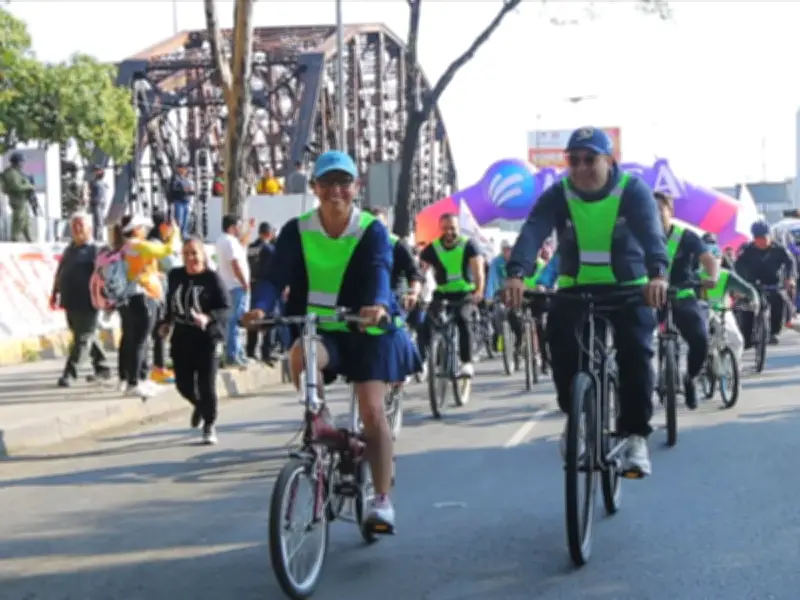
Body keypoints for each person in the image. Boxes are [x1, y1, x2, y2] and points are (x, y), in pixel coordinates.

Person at [242, 150, 420, 533]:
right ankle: (320, 422)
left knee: (372, 411)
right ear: (315, 188)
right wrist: (259, 308)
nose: (335, 192)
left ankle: (382, 500)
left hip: (368, 330)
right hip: (322, 329)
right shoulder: (297, 229)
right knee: (299, 356)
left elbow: (378, 268)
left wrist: (375, 304)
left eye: (344, 184)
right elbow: (275, 277)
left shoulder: (371, 228)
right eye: (327, 184)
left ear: (356, 187)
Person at [505, 126, 669, 478]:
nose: (580, 168)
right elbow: (533, 230)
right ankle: (577, 417)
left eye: (589, 159)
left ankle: (635, 436)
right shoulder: (558, 194)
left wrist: (657, 274)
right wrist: (517, 273)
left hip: (629, 289)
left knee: (636, 355)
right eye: (573, 160)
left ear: (610, 160)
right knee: (562, 349)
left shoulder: (633, 191)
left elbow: (652, 234)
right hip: (576, 290)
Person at [159, 237, 230, 444]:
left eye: (194, 253)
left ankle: (209, 423)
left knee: (206, 383)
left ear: (203, 255)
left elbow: (226, 308)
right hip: (182, 335)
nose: (191, 258)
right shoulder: (175, 276)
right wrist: (166, 323)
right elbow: (170, 303)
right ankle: (199, 405)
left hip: (207, 337)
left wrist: (208, 318)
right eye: (186, 253)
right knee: (183, 383)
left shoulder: (212, 279)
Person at [656, 191, 718, 409]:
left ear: (669, 211)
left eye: (659, 209)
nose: (655, 214)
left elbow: (708, 259)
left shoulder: (687, 236)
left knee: (700, 339)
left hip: (683, 296)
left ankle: (690, 378)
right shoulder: (640, 236)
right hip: (651, 298)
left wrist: (712, 276)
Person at [114, 213, 182, 398]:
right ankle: (134, 382)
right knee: (140, 341)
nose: (145, 230)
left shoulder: (126, 246)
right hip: (143, 295)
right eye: (142, 227)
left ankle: (137, 379)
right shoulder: (139, 245)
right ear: (136, 230)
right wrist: (174, 232)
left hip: (132, 295)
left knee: (133, 339)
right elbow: (167, 250)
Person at [417, 214, 485, 377]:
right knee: (426, 322)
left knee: (463, 319)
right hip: (443, 293)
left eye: (452, 228)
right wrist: (417, 292)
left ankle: (466, 362)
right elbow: (420, 271)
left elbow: (479, 272)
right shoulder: (432, 248)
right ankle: (423, 360)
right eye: (445, 228)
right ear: (440, 228)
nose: (449, 232)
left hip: (465, 293)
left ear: (458, 228)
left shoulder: (469, 245)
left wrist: (479, 291)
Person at [50, 213, 111, 387]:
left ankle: (70, 374)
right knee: (84, 335)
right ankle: (103, 367)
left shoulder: (98, 250)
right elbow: (60, 272)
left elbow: (106, 276)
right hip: (70, 301)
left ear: (90, 229)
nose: (77, 229)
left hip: (89, 302)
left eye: (80, 225)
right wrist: (54, 293)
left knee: (82, 339)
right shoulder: (69, 250)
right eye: (74, 225)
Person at [734, 221, 797, 346]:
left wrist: (790, 278)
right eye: (757, 238)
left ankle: (773, 332)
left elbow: (790, 263)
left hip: (773, 283)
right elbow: (738, 266)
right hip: (752, 284)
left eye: (763, 237)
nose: (761, 241)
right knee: (746, 307)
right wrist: (739, 285)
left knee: (780, 300)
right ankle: (747, 336)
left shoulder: (779, 249)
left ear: (770, 236)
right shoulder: (747, 250)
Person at [365, 207, 423, 314]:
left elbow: (415, 273)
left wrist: (413, 294)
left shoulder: (398, 245)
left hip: (395, 301)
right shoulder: (358, 245)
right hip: (366, 302)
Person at [147, 211, 179, 384]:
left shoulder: (158, 243)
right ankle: (158, 367)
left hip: (161, 292)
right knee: (160, 330)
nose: (173, 230)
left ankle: (159, 365)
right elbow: (172, 265)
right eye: (171, 227)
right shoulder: (156, 244)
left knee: (161, 330)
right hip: (158, 293)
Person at [215, 214, 251, 367]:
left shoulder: (225, 240)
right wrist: (244, 282)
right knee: (236, 320)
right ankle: (232, 354)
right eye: (238, 225)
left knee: (235, 321)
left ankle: (236, 352)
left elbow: (242, 245)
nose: (240, 228)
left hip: (230, 285)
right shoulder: (228, 241)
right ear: (232, 226)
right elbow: (235, 263)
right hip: (236, 286)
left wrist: (249, 228)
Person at [246, 221, 276, 360]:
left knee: (253, 318)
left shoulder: (251, 247)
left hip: (252, 285)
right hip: (266, 286)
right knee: (269, 318)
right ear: (269, 234)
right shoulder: (270, 249)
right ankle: (266, 351)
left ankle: (250, 350)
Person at [1, 152, 35, 242]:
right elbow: (16, 186)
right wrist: (29, 186)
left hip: (22, 199)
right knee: (19, 218)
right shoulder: (11, 173)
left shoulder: (17, 172)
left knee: (26, 219)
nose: (23, 164)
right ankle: (14, 237)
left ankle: (28, 238)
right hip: (16, 199)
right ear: (17, 162)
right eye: (21, 162)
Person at [168, 164, 195, 237]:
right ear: (179, 169)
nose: (185, 170)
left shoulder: (186, 179)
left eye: (185, 169)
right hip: (179, 202)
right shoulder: (175, 178)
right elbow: (173, 189)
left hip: (186, 201)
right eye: (183, 168)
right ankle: (178, 235)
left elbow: (189, 189)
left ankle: (184, 234)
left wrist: (191, 191)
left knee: (186, 221)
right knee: (179, 221)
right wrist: (184, 190)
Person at [88, 166, 109, 242]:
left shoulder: (102, 182)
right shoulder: (93, 182)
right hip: (97, 204)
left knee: (100, 222)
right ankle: (98, 239)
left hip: (102, 204)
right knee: (98, 222)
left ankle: (99, 237)